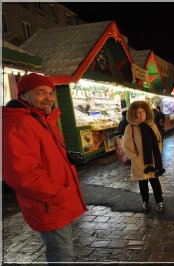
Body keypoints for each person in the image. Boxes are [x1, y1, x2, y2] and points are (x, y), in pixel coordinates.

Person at [2, 73, 87, 262]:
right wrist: (58, 194)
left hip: (57, 202)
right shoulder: (19, 123)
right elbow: (21, 174)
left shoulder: (43, 120)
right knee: (62, 256)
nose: (48, 98)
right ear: (24, 96)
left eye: (51, 92)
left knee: (63, 252)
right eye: (40, 92)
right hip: (49, 205)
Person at [123, 101, 165, 213]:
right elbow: (125, 145)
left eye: (143, 112)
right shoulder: (130, 127)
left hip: (153, 160)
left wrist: (158, 152)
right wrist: (134, 157)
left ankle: (159, 202)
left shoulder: (153, 126)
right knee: (143, 183)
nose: (141, 114)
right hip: (139, 161)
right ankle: (145, 202)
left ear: (147, 113)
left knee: (155, 181)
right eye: (138, 112)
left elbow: (159, 141)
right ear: (134, 114)